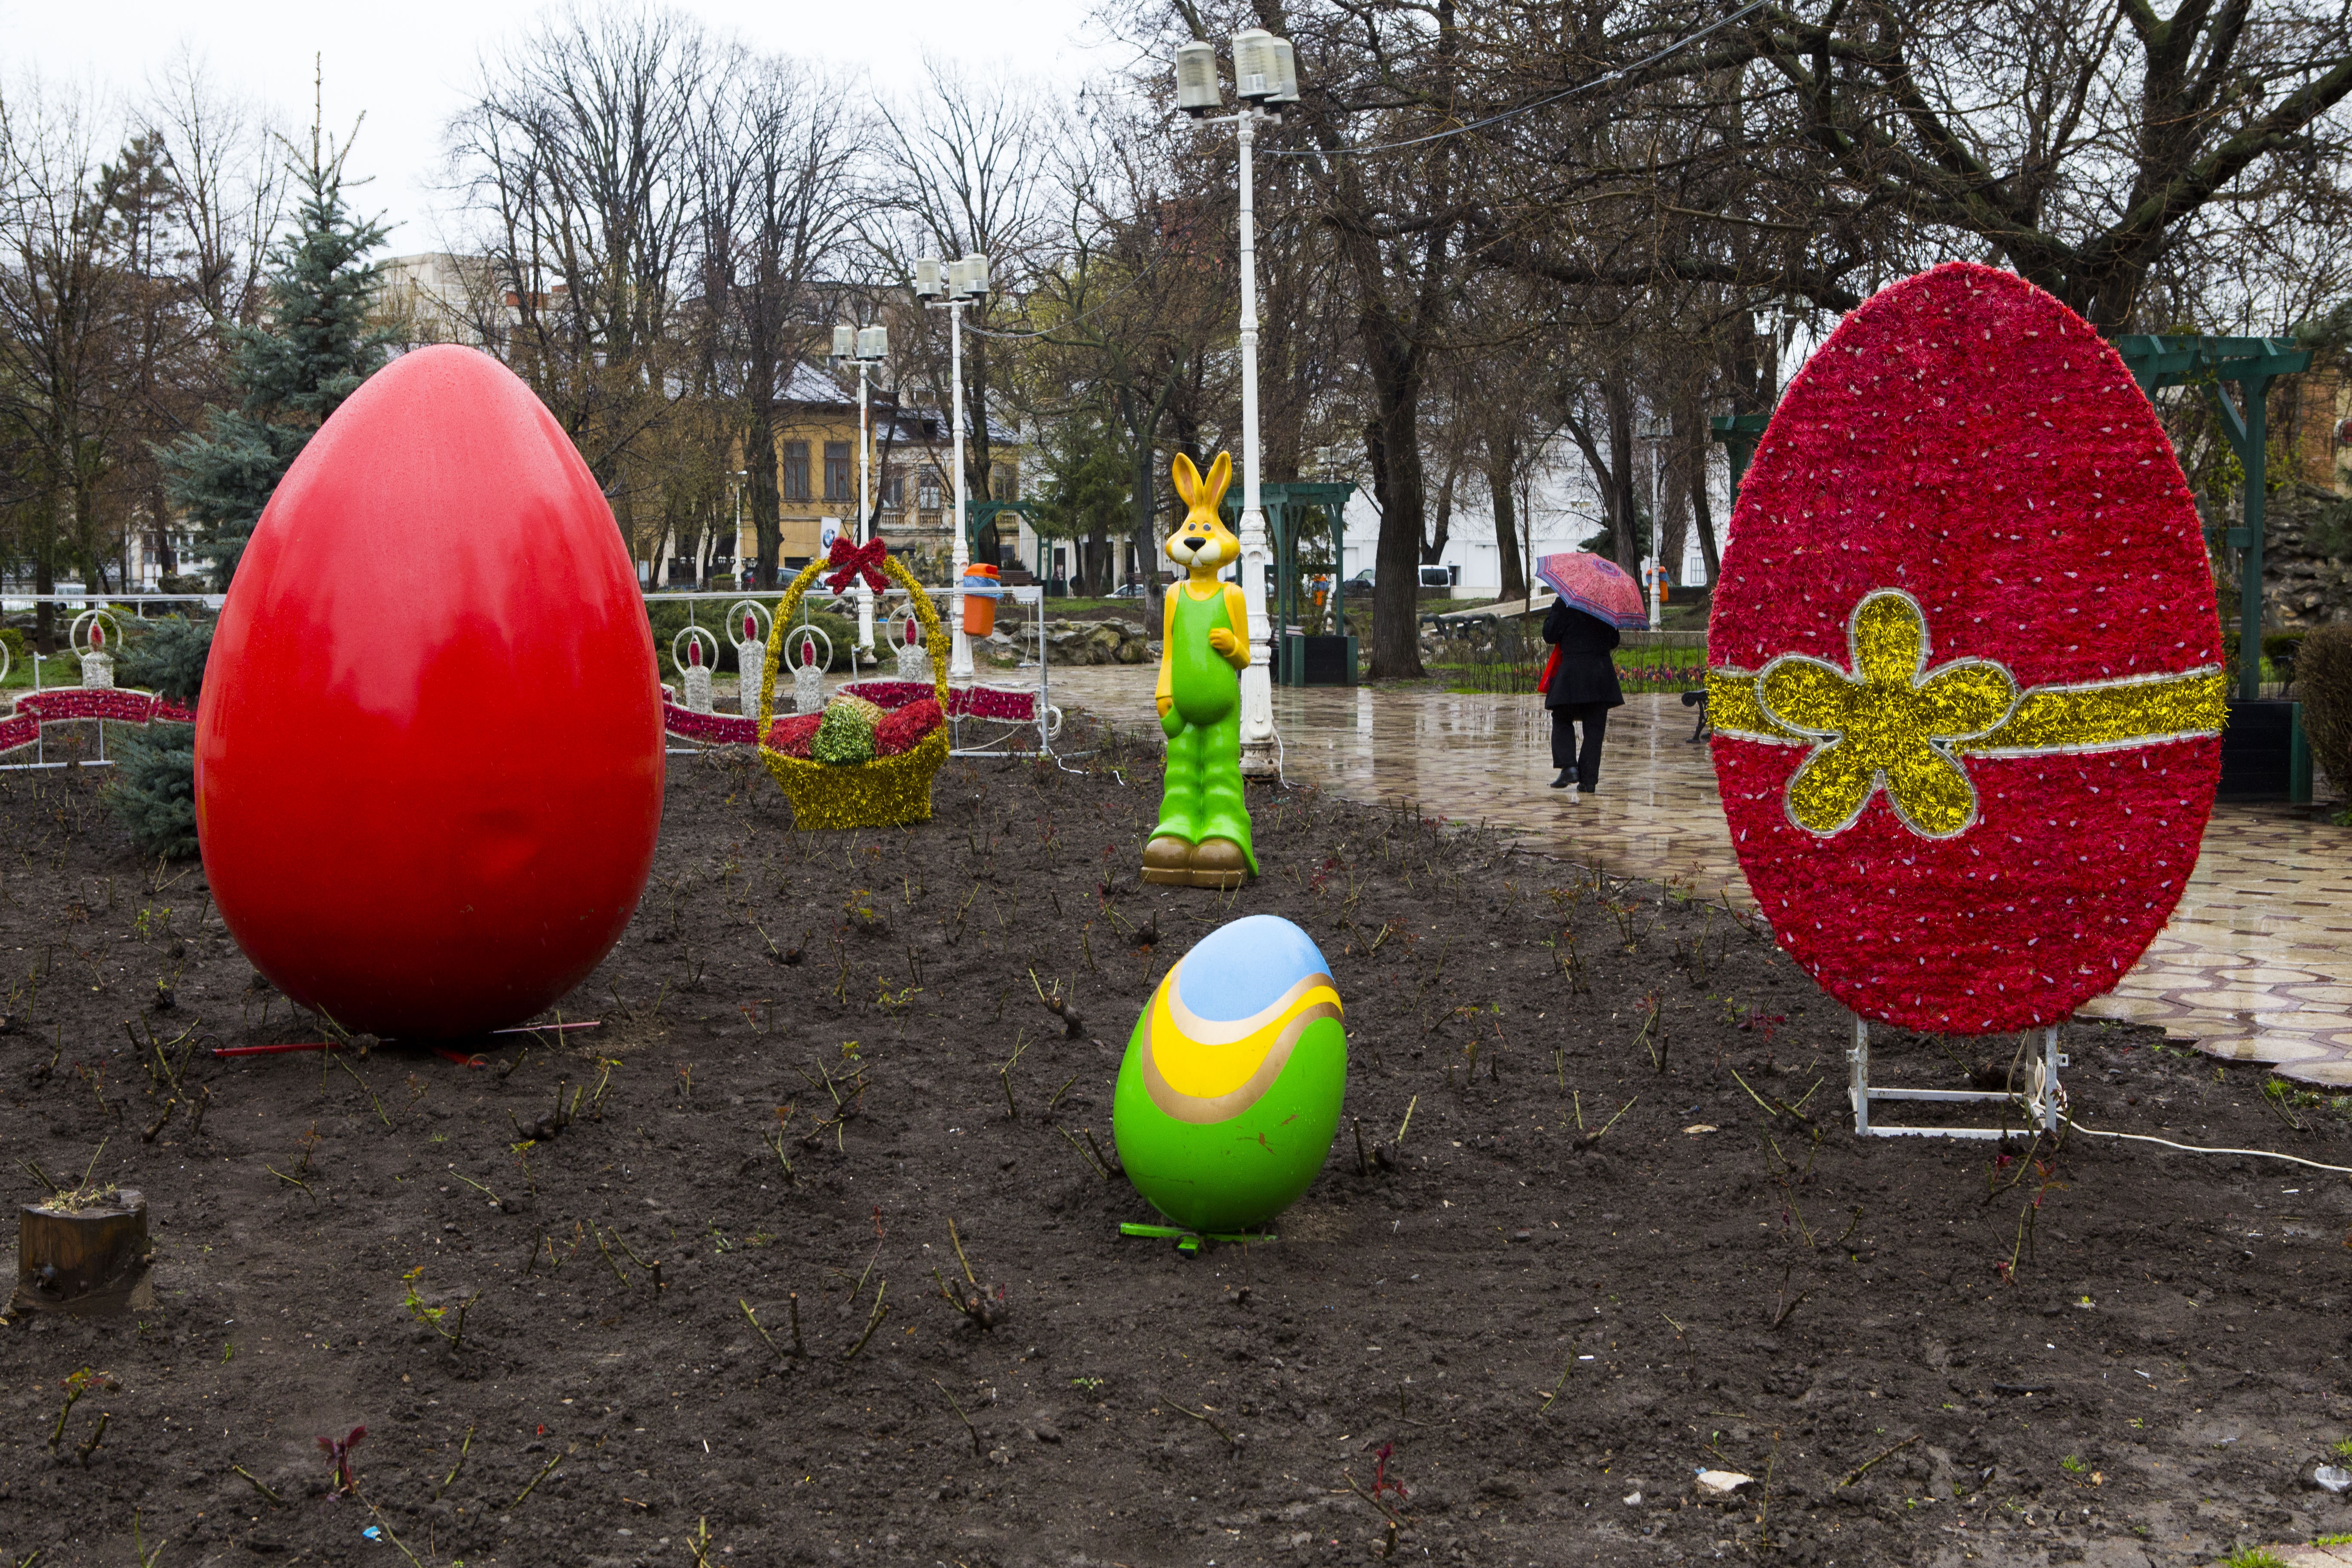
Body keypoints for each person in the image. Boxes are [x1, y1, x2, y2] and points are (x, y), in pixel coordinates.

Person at [1538, 599, 1623, 792]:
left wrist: (1555, 609)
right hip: (1601, 676)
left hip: (1572, 676)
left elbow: (1549, 634)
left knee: (1562, 717)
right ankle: (1589, 781)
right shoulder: (1605, 605)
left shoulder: (1565, 603)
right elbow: (1613, 641)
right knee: (1595, 728)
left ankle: (1568, 767)